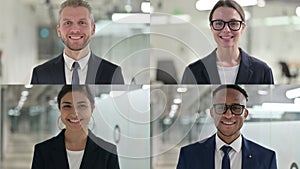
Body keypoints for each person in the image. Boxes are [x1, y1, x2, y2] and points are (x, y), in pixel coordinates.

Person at [176, 85, 277, 169]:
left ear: (245, 114)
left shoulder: (266, 158)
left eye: (236, 108)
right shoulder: (189, 155)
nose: (228, 115)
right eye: (221, 108)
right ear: (212, 112)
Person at [31, 0, 124, 84]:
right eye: (68, 23)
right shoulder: (40, 74)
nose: (75, 30)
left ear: (93, 29)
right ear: (59, 31)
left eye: (82, 23)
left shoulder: (113, 73)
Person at [181, 0, 274, 84]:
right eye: (219, 23)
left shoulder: (262, 71)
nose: (226, 30)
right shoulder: (193, 72)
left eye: (233, 23)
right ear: (211, 27)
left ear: (243, 28)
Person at [31, 85, 120, 169]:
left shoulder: (108, 152)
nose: (74, 114)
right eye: (67, 106)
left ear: (92, 108)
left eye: (82, 106)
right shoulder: (42, 151)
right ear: (59, 109)